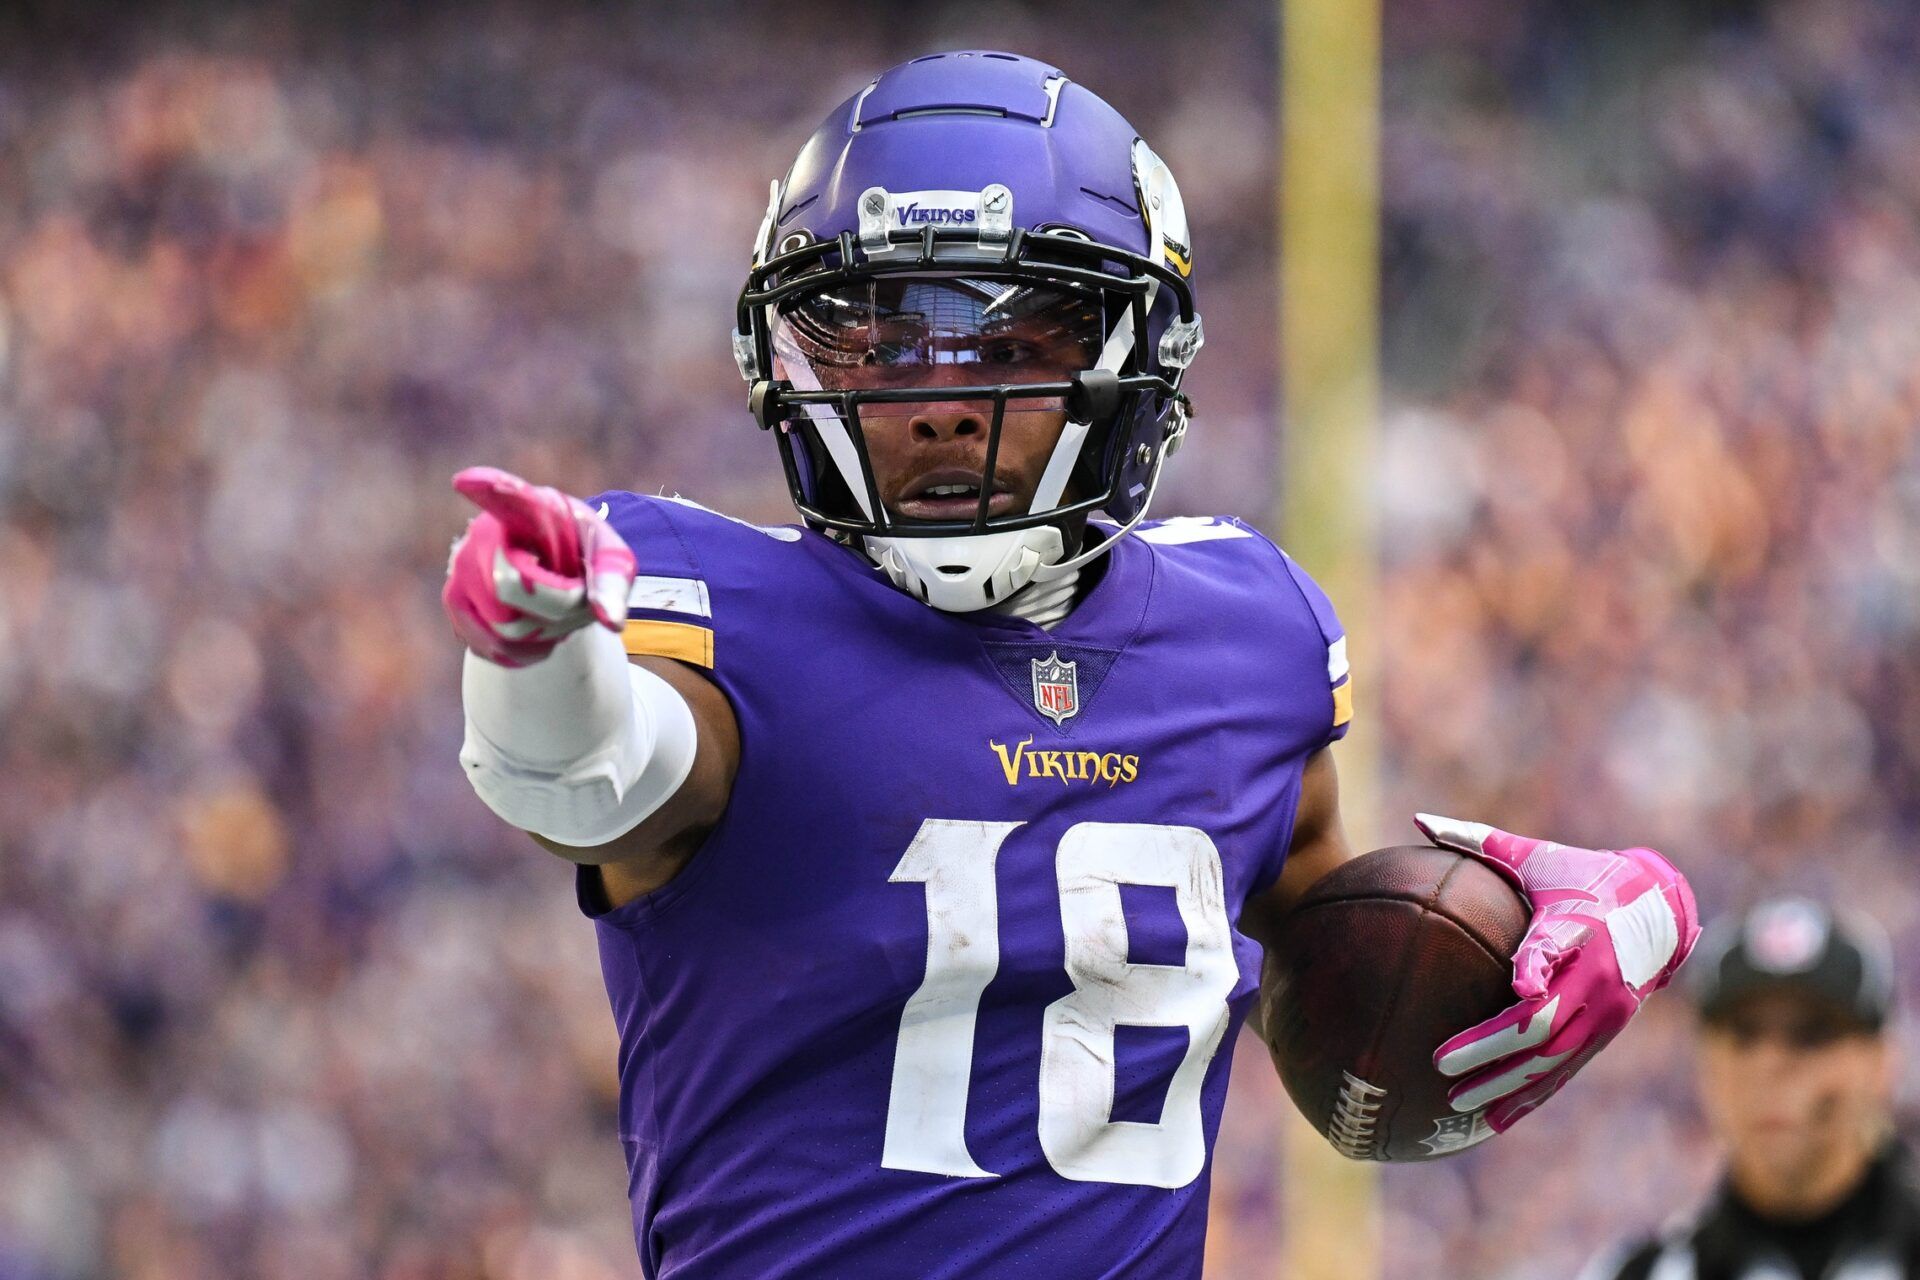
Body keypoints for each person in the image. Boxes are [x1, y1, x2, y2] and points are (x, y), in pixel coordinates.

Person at [441, 50, 1700, 1278]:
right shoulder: (719, 612)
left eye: (1004, 339)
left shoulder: (1247, 635)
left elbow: (1350, 984)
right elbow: (602, 777)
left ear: (1136, 353)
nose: (937, 398)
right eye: (882, 339)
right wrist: (538, 651)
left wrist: (1630, 907)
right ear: (791, 360)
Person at [1586, 896, 1918, 1280]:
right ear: (1706, 1063)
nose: (1771, 1065)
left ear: (1883, 1061)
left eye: (1812, 1035)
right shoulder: (1636, 1273)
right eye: (1744, 1035)